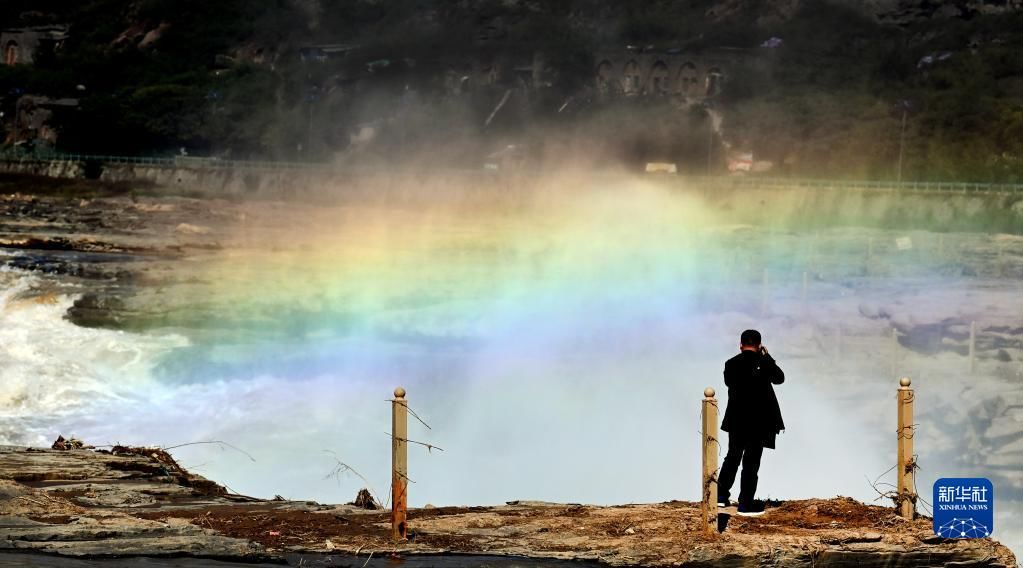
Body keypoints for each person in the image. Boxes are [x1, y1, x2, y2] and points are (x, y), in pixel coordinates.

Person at [718, 329, 785, 516]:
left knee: (732, 456)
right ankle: (745, 505)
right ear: (759, 345)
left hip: (737, 420)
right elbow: (780, 379)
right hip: (759, 422)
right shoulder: (763, 363)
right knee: (751, 462)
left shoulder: (730, 364)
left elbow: (729, 382)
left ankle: (720, 496)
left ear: (740, 345)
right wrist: (767, 357)